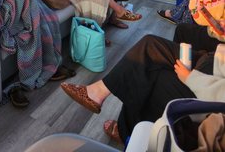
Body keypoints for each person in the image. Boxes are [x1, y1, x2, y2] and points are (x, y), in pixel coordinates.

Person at [61, 33, 225, 145]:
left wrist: (191, 79)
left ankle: (120, 123)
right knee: (150, 45)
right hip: (217, 63)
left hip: (213, 91)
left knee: (149, 71)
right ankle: (101, 96)